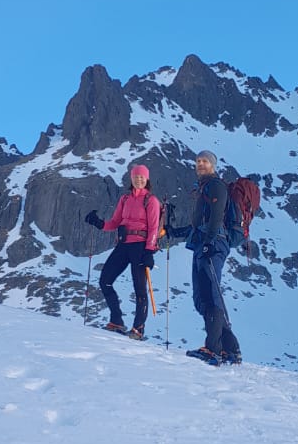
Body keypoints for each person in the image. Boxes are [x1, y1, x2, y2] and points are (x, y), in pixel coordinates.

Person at [169, 149, 242, 366]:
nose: (200, 164)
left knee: (209, 295)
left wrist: (209, 242)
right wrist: (174, 232)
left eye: (205, 161)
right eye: (198, 161)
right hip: (206, 244)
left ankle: (213, 350)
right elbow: (198, 225)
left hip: (212, 245)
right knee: (204, 297)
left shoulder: (216, 185)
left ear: (213, 165)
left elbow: (216, 216)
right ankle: (230, 350)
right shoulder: (204, 188)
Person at [86, 165, 161, 339]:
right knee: (105, 280)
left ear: (147, 179)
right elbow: (115, 222)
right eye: (135, 177)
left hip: (140, 247)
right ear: (131, 178)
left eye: (142, 177)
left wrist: (149, 251)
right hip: (123, 244)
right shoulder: (125, 199)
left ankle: (138, 329)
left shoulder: (151, 200)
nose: (138, 180)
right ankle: (116, 321)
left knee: (140, 288)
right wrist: (98, 223)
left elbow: (154, 228)